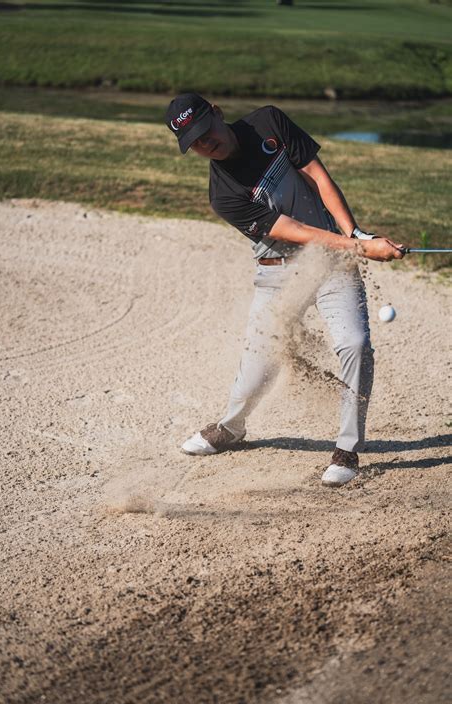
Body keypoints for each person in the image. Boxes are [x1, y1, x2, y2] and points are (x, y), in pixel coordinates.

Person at [165, 93, 404, 486]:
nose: (206, 144)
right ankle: (231, 428)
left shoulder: (268, 123)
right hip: (279, 273)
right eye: (195, 143)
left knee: (355, 343)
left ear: (218, 114)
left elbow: (317, 175)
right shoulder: (223, 195)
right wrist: (361, 248)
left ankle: (347, 449)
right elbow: (295, 232)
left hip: (332, 262)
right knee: (257, 369)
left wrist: (356, 232)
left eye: (206, 132)